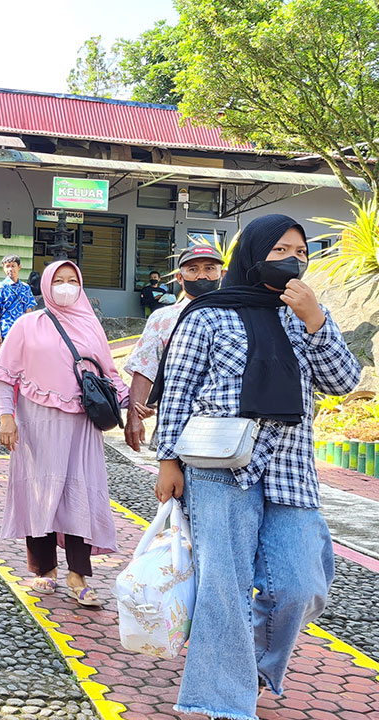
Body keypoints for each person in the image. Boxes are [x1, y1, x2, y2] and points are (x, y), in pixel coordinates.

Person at [152, 214, 360, 720]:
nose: (294, 261)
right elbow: (177, 394)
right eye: (282, 250)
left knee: (300, 583)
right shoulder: (207, 315)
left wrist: (316, 321)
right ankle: (220, 698)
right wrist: (167, 461)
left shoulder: (306, 316)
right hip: (218, 469)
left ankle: (256, 667)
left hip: (289, 469)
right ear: (253, 253)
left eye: (302, 253)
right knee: (224, 586)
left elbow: (343, 381)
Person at [0, 260, 125, 608]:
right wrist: (7, 418)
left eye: (72, 281)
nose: (66, 287)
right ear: (46, 286)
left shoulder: (92, 326)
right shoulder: (27, 325)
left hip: (82, 424)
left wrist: (135, 403)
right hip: (36, 423)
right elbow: (4, 374)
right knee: (40, 490)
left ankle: (78, 573)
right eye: (58, 281)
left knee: (80, 493)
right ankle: (44, 569)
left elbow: (109, 375)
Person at [123, 245, 224, 452]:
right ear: (180, 277)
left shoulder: (237, 315)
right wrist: (134, 416)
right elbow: (145, 367)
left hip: (223, 426)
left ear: (222, 274)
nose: (202, 276)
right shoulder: (163, 318)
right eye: (193, 270)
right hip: (175, 422)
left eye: (209, 269)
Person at [0, 255, 36, 346]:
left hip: (22, 330)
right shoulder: (0, 287)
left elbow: (28, 310)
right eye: (7, 266)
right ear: (3, 268)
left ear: (19, 267)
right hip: (6, 330)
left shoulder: (25, 288)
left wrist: (31, 330)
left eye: (13, 266)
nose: (10, 269)